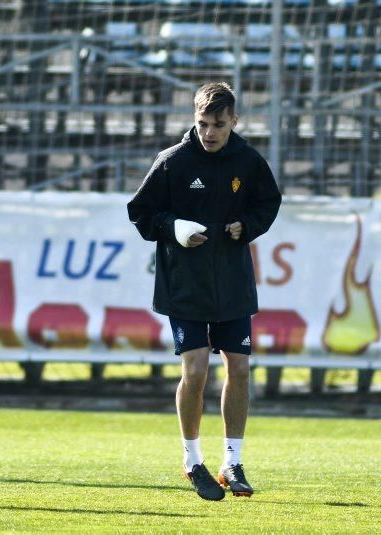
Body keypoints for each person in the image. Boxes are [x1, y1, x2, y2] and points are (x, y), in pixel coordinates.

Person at [127, 82, 281, 501]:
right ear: (193, 119)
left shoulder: (248, 162)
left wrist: (246, 227)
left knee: (241, 368)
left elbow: (268, 204)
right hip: (185, 285)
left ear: (234, 121)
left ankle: (232, 461)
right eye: (202, 123)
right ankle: (192, 458)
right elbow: (140, 213)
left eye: (218, 124)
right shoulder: (172, 162)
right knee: (195, 370)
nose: (209, 132)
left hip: (232, 283)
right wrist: (172, 227)